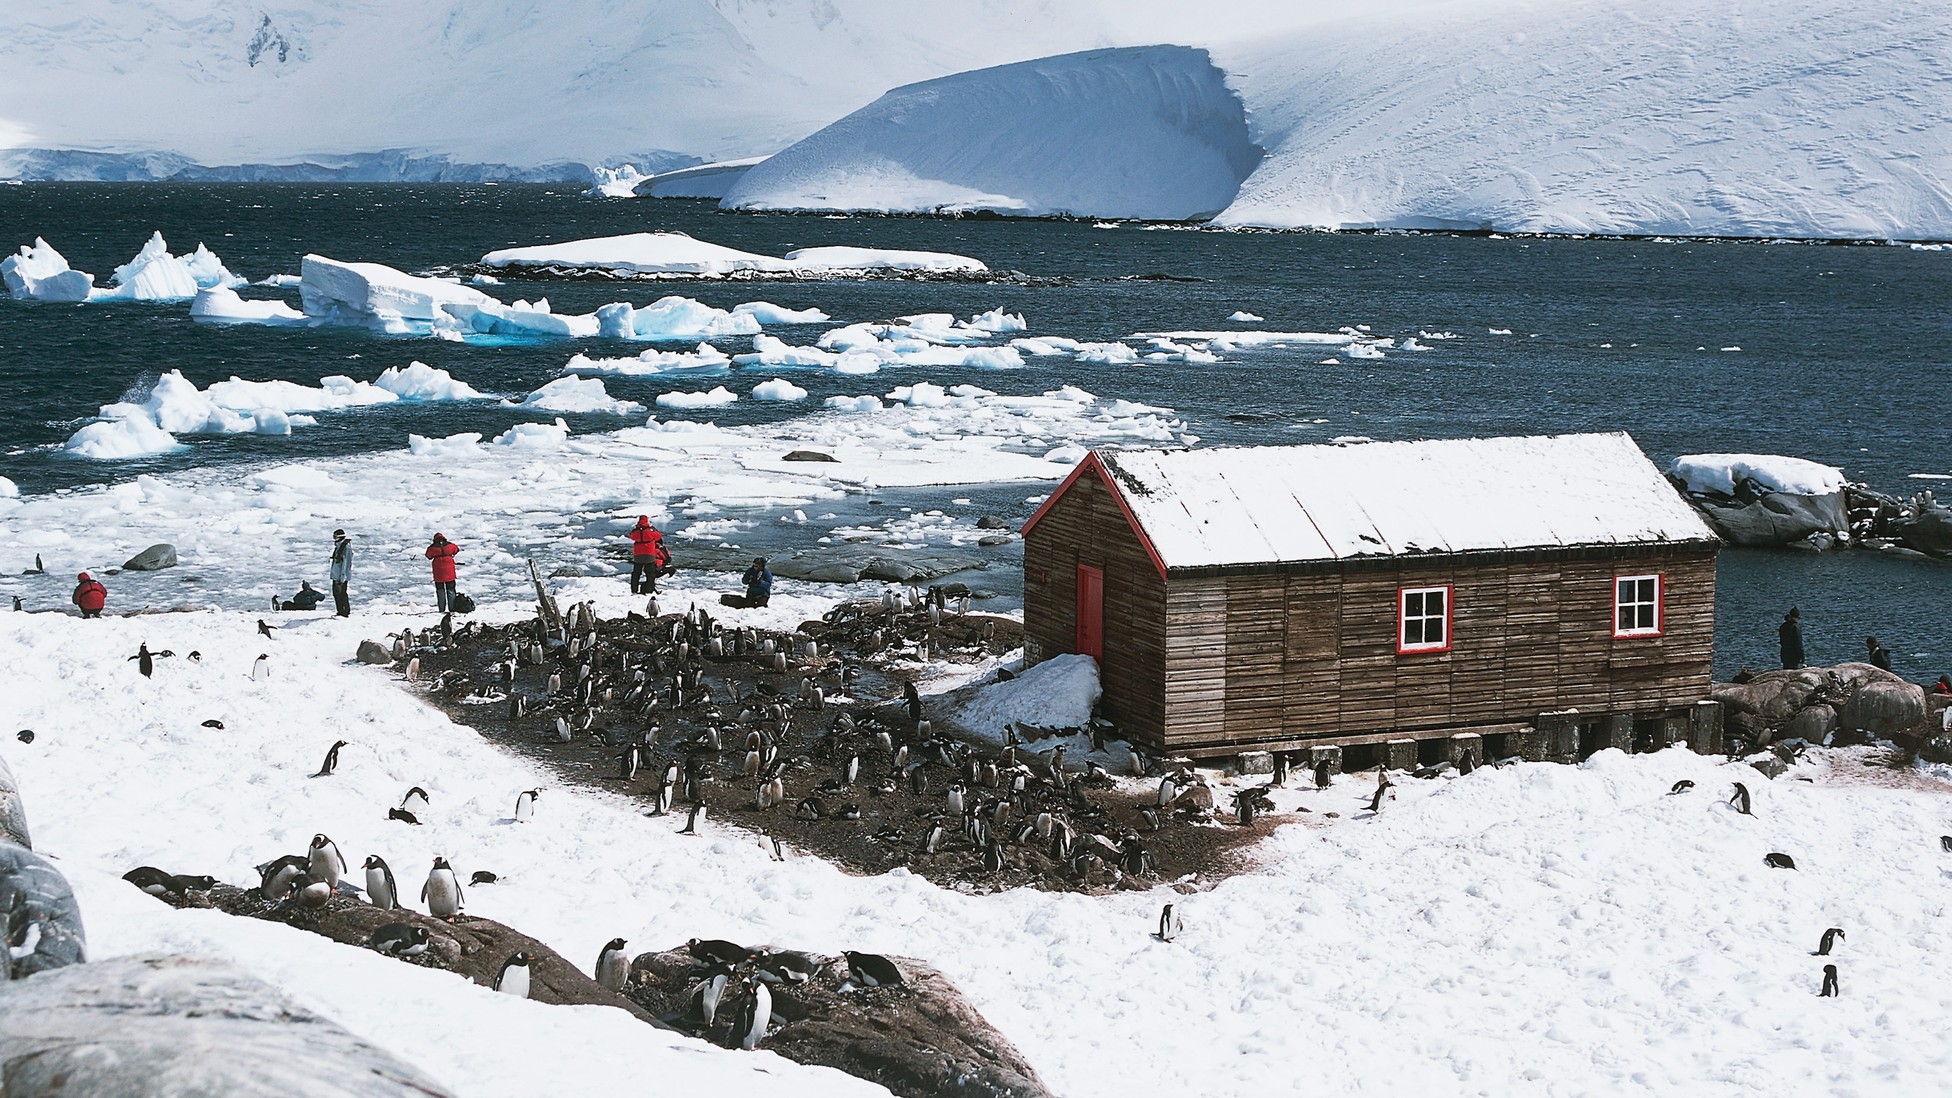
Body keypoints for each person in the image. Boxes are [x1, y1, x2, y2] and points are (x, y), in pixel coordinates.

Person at [627, 516, 669, 595]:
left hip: (638, 555)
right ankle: (648, 590)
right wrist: (652, 529)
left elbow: (631, 536)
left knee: (636, 573)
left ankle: (634, 590)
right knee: (650, 573)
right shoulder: (650, 530)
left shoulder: (636, 531)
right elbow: (658, 536)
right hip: (649, 554)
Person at [426, 533, 459, 612]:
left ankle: (442, 608)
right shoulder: (449, 545)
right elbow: (456, 549)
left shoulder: (432, 547)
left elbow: (428, 555)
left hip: (438, 572)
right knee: (450, 589)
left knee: (440, 590)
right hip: (449, 571)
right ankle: (452, 607)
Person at [329, 529, 353, 617]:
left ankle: (344, 612)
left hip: (341, 577)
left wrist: (342, 578)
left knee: (341, 594)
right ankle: (340, 611)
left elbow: (346, 564)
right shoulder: (339, 546)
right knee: (337, 594)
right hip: (336, 576)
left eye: (335, 537)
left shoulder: (346, 548)